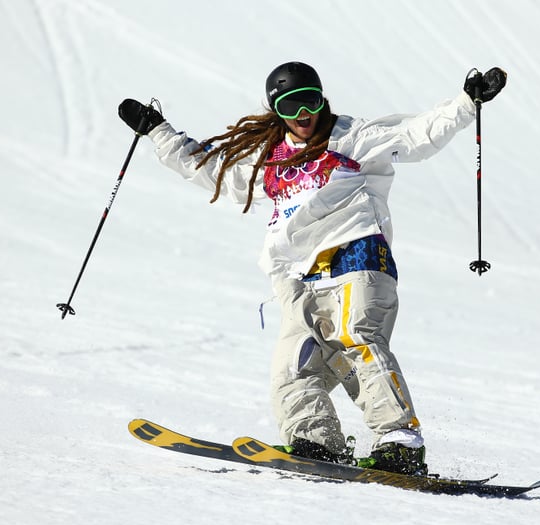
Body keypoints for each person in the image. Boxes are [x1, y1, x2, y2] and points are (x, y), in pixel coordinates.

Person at [118, 62, 506, 475]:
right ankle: (317, 442)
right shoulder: (268, 158)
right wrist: (159, 131)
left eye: (310, 102)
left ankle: (399, 441)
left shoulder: (352, 137)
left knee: (357, 338)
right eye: (291, 105)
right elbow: (212, 167)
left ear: (322, 100)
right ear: (276, 110)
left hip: (356, 254)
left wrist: (467, 102)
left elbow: (418, 134)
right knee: (293, 367)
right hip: (298, 275)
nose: (303, 114)